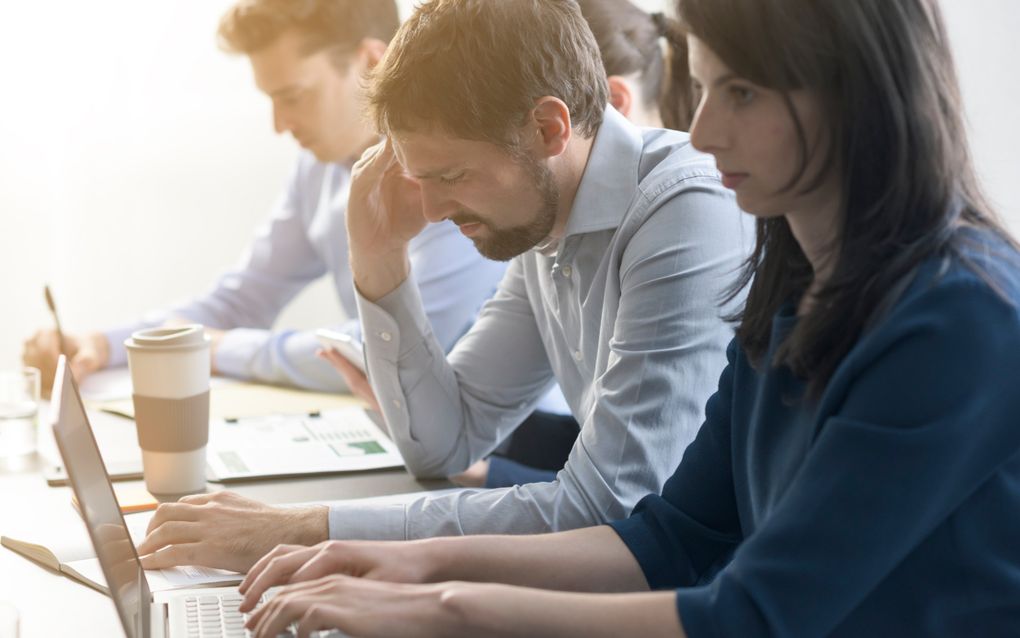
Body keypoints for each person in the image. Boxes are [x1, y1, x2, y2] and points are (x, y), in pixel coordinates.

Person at [232, 0, 1020, 636]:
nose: (703, 132)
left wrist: (439, 603)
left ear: (859, 96)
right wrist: (414, 565)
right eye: (705, 90)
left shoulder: (959, 318)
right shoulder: (791, 282)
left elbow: (750, 612)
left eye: (740, 93)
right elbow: (673, 536)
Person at [136, 0, 750, 572]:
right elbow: (444, 444)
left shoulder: (684, 208)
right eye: (417, 178)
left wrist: (307, 529)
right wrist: (380, 259)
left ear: (547, 128)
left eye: (451, 174)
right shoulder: (543, 225)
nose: (429, 210)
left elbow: (608, 511)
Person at [20, 0, 506, 394]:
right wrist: (103, 345)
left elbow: (385, 352)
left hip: (501, 460)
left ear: (371, 63)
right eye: (271, 100)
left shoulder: (451, 177)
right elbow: (244, 299)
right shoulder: (318, 169)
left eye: (293, 96)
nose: (280, 125)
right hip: (402, 432)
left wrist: (215, 349)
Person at [465, 0, 701, 489]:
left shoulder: (682, 209)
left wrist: (490, 475)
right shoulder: (546, 227)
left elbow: (625, 488)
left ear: (610, 104)